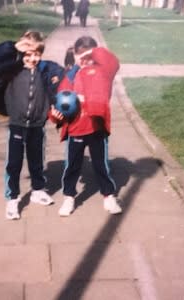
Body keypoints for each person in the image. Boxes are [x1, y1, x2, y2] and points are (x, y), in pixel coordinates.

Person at [0, 31, 64, 220]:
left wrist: (56, 109)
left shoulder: (44, 72)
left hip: (37, 125)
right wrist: (15, 46)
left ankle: (38, 190)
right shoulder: (12, 69)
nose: (33, 58)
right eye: (28, 54)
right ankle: (12, 198)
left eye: (37, 54)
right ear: (22, 53)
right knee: (14, 163)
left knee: (37, 160)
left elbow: (58, 86)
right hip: (17, 124)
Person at [49, 35, 122, 216]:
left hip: (96, 127)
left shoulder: (103, 71)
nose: (84, 59)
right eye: (80, 55)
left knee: (101, 164)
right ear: (74, 55)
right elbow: (60, 102)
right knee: (72, 165)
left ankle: (108, 195)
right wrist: (55, 116)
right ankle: (69, 197)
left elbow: (112, 60)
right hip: (75, 128)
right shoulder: (70, 76)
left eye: (88, 55)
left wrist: (91, 54)